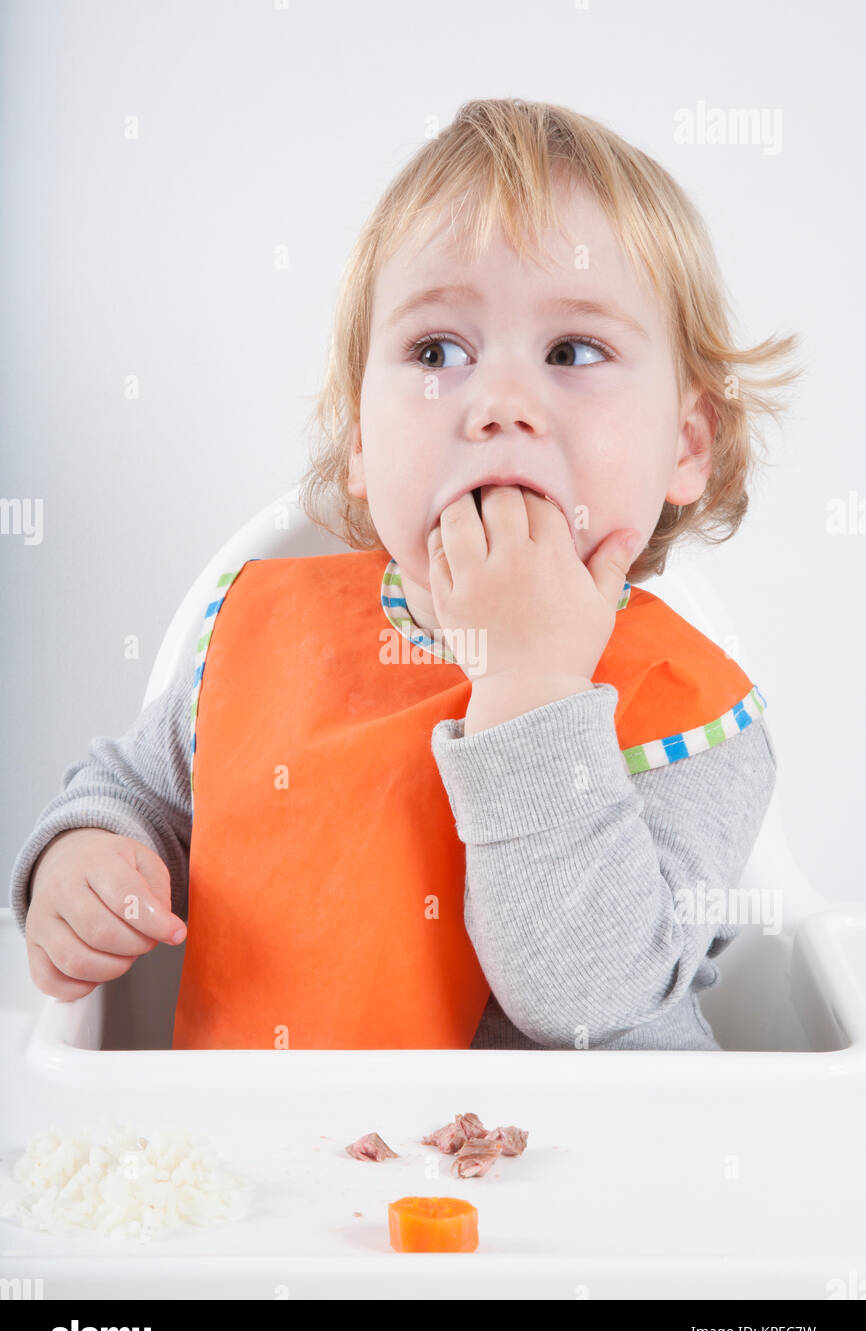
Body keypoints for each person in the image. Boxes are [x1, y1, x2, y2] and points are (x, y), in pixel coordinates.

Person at [10, 98, 803, 1050]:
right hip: (270, 1175)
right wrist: (85, 857)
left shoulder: (693, 719)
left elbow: (589, 997)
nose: (500, 403)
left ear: (685, 446)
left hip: (580, 1188)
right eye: (437, 352)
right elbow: (132, 787)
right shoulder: (266, 638)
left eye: (573, 351)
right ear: (358, 440)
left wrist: (533, 691)